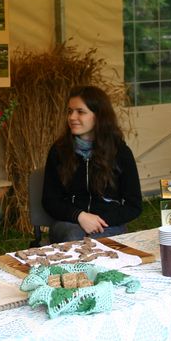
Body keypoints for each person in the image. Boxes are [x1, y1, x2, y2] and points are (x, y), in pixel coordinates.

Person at [42, 85, 142, 243]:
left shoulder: (119, 152)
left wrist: (99, 221)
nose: (72, 117)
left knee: (97, 242)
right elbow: (50, 200)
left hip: (108, 224)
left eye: (80, 112)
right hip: (69, 223)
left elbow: (134, 205)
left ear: (98, 116)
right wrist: (80, 216)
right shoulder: (59, 151)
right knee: (75, 238)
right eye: (70, 111)